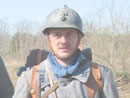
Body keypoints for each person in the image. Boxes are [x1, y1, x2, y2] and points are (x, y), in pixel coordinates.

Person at [13, 5, 119, 98]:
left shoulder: (101, 76)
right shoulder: (30, 78)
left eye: (70, 34)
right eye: (57, 35)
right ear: (47, 38)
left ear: (79, 37)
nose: (63, 41)